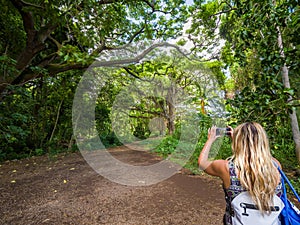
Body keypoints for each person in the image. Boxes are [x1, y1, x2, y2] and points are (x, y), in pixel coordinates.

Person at [198, 122, 283, 225]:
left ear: (238, 141)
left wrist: (211, 139)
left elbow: (202, 163)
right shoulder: (275, 165)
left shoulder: (227, 168)